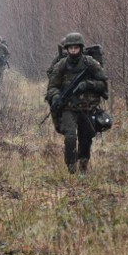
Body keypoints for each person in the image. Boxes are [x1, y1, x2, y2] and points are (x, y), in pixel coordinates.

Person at [45, 32, 109, 175]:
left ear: (80, 48)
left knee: (85, 138)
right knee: (70, 137)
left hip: (87, 107)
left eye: (76, 48)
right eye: (70, 48)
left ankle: (83, 166)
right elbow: (52, 87)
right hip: (68, 107)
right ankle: (71, 167)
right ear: (66, 49)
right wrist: (56, 97)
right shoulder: (61, 65)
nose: (73, 51)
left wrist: (87, 85)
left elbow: (103, 84)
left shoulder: (90, 63)